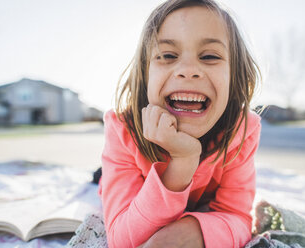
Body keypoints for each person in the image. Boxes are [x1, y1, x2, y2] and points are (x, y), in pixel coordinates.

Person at [99, 0, 261, 247]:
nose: (188, 70)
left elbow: (238, 217)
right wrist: (183, 162)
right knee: (99, 178)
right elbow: (122, 239)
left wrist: (192, 230)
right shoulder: (123, 130)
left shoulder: (243, 131)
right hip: (123, 173)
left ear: (234, 76)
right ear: (145, 74)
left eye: (209, 56)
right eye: (167, 55)